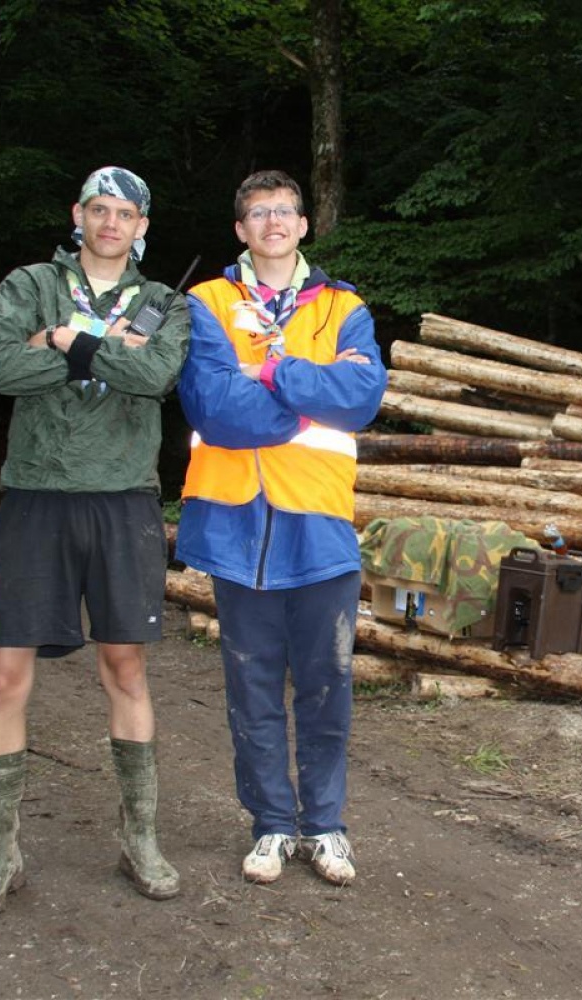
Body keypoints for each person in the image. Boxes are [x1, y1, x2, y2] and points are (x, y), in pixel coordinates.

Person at [0, 166, 190, 923]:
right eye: (100, 209)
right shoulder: (30, 284)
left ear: (142, 225)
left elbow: (155, 374)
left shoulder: (164, 303)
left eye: (126, 212)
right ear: (78, 215)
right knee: (4, 677)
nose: (112, 222)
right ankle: (0, 857)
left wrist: (59, 347)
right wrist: (85, 339)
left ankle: (140, 840)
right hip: (34, 496)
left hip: (123, 499)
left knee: (125, 668)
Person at [174, 169, 386, 886]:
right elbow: (213, 408)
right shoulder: (206, 302)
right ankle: (270, 825)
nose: (272, 221)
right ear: (241, 229)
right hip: (237, 527)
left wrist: (269, 371)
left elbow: (360, 398)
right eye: (258, 211)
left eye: (285, 211)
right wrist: (303, 390)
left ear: (302, 225)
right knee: (252, 687)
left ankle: (325, 825)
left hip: (321, 525)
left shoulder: (342, 308)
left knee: (328, 684)